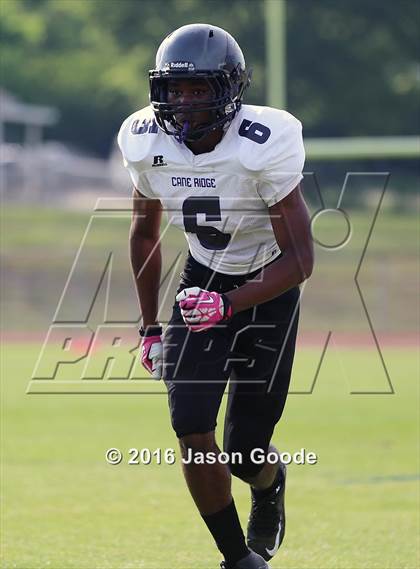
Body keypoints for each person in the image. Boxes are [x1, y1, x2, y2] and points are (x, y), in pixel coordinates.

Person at [118, 23, 313, 569]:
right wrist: (149, 327)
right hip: (200, 280)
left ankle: (269, 485)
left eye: (199, 90)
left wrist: (230, 304)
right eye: (175, 90)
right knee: (190, 426)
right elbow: (143, 234)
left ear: (228, 90)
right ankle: (237, 559)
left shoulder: (263, 142)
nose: (184, 104)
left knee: (246, 451)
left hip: (266, 287)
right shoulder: (143, 139)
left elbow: (301, 260)